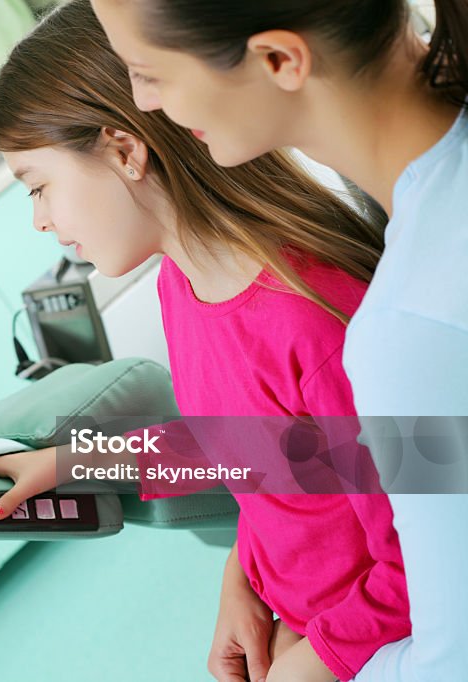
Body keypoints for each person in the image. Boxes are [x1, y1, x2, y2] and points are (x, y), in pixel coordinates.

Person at [0, 2, 409, 680]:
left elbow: (419, 564)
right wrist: (242, 577)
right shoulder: (183, 285)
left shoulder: (312, 320)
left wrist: (311, 660)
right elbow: (256, 449)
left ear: (123, 149)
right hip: (300, 618)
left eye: (39, 187)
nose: (40, 221)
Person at [88, 0, 468, 679]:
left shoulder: (399, 331)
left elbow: (453, 651)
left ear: (278, 60)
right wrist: (248, 565)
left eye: (148, 73)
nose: (141, 102)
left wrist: (303, 666)